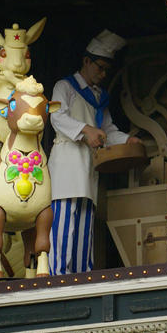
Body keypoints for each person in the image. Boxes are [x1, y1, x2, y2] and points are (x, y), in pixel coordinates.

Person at [48, 30, 142, 275]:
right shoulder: (65, 86)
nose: (102, 74)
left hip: (89, 167)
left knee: (85, 225)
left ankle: (81, 275)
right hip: (67, 162)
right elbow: (56, 117)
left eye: (105, 70)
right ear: (86, 61)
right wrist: (85, 129)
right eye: (99, 68)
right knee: (64, 221)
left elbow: (106, 130)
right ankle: (58, 274)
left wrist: (127, 140)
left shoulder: (99, 97)